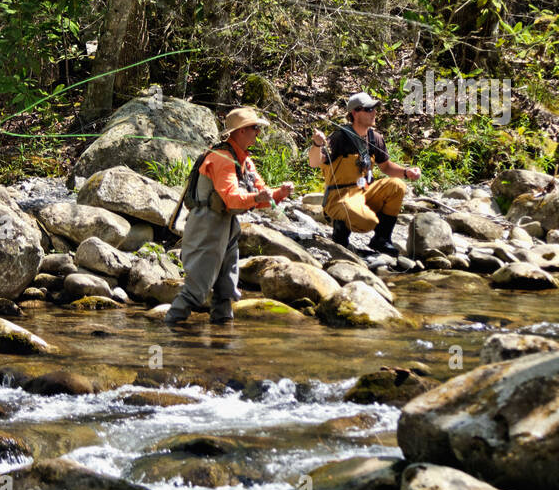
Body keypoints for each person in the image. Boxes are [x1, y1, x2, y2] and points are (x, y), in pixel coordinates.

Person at [164, 107, 293, 328]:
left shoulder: (244, 160)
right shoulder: (222, 159)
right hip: (207, 224)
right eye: (255, 128)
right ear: (240, 131)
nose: (258, 133)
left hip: (228, 225)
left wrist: (279, 194)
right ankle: (169, 327)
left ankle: (222, 333)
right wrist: (257, 197)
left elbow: (260, 195)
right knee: (197, 289)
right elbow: (233, 199)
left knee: (226, 286)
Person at [308, 92, 420, 254]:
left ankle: (381, 239)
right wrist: (317, 145)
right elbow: (314, 163)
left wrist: (406, 172)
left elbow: (386, 167)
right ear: (354, 113)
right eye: (368, 109)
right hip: (340, 197)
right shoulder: (340, 137)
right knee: (368, 222)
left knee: (397, 185)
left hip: (365, 191)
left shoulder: (375, 138)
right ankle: (340, 229)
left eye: (374, 109)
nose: (374, 112)